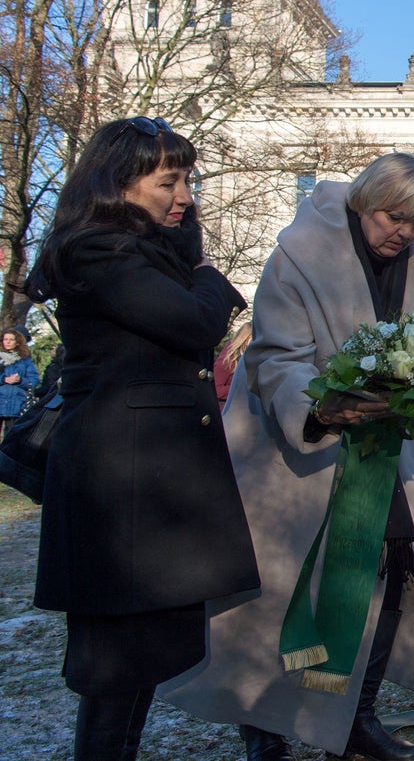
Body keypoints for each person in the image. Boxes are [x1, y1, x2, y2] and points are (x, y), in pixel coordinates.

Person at [161, 152, 414, 761]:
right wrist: (320, 411)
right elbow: (276, 356)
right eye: (392, 217)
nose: (402, 233)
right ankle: (262, 726)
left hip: (385, 451)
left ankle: (356, 721)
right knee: (282, 592)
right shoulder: (299, 253)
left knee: (396, 570)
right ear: (362, 203)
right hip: (294, 454)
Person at [24, 116, 258, 761]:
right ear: (117, 184)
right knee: (113, 665)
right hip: (119, 483)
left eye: (188, 180)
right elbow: (191, 323)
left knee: (143, 654)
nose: (185, 195)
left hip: (150, 483)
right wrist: (210, 275)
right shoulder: (97, 249)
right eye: (168, 181)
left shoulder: (145, 252)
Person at [0, 328, 39, 433]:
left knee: (11, 439)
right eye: (5, 339)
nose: (7, 342)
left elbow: (34, 380)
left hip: (17, 404)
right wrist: (3, 379)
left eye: (11, 340)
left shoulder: (25, 361)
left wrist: (20, 380)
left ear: (17, 342)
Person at [213, 322, 252, 407]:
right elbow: (215, 388)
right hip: (226, 412)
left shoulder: (250, 358)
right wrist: (241, 390)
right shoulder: (228, 360)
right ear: (247, 338)